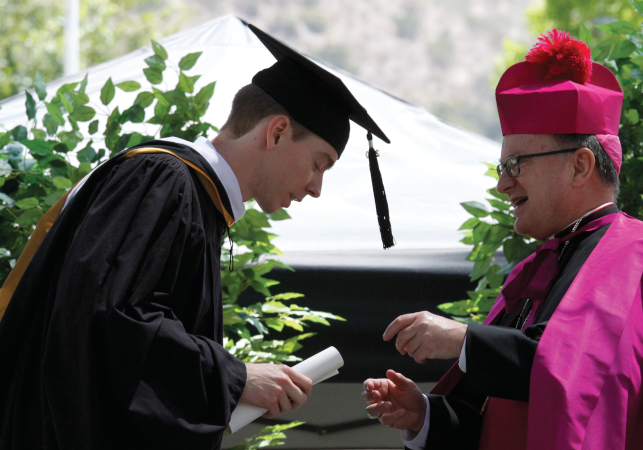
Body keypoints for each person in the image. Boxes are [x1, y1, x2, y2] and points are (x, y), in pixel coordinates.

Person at [0, 24, 390, 450]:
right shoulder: (163, 179)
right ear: (276, 132)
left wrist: (229, 386)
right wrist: (234, 377)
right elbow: (107, 318)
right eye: (319, 163)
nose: (316, 187)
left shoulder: (194, 198)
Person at [362, 29, 643, 450]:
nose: (502, 185)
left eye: (515, 164)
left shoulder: (638, 257)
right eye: (501, 167)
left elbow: (583, 387)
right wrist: (425, 418)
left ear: (580, 167)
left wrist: (462, 339)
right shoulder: (538, 268)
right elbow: (513, 419)